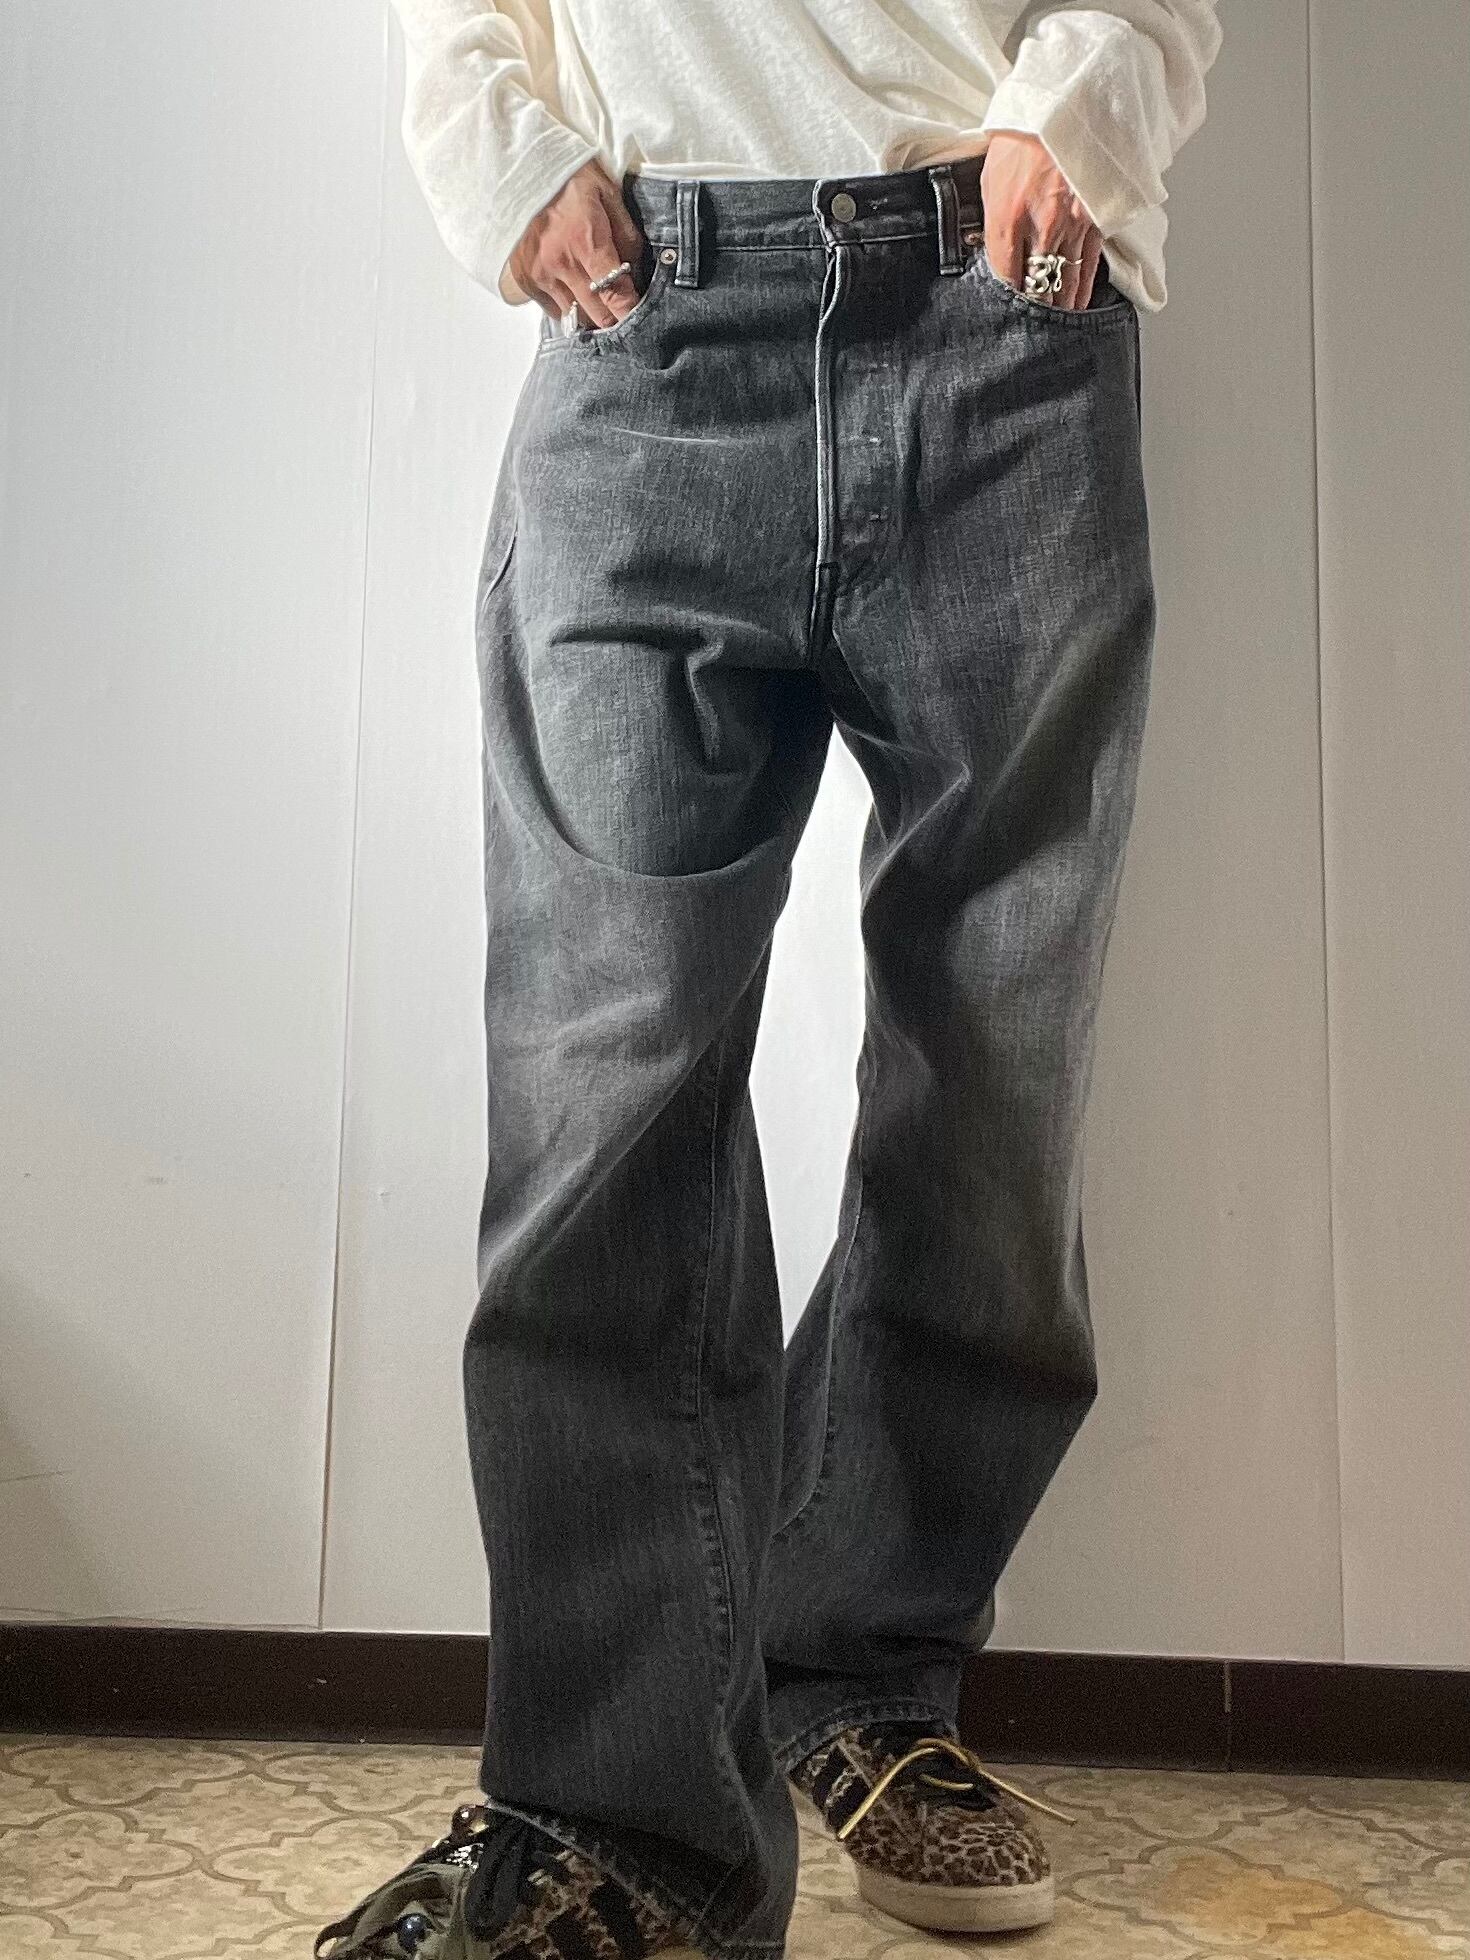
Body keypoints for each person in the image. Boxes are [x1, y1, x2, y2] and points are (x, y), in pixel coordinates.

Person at [317, 5, 1222, 1956]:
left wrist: (1084, 102)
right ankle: (624, 1824)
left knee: (996, 1093)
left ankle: (858, 1663)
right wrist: (500, 155)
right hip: (649, 310)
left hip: (1004, 323)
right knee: (602, 1103)